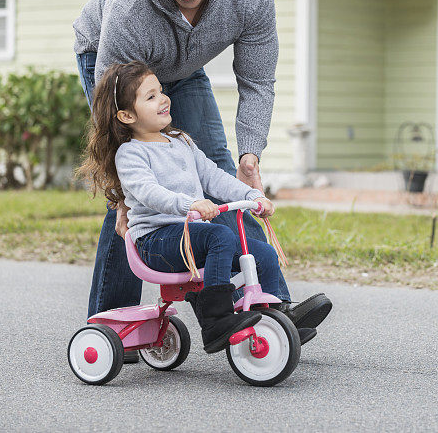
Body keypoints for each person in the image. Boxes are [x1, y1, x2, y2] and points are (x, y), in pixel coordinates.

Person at [72, 0, 330, 359]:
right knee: (141, 188)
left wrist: (250, 155)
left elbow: (256, 82)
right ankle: (115, 328)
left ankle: (270, 306)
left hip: (183, 73)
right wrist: (118, 197)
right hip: (117, 72)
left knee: (212, 175)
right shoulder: (130, 9)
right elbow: (111, 126)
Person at [77, 61, 315, 351]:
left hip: (189, 236)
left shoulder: (181, 142)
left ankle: (274, 318)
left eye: (161, 91)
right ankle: (216, 319)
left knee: (261, 251)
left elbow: (214, 177)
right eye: (150, 97)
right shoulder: (130, 154)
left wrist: (251, 196)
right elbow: (149, 192)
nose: (163, 98)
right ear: (126, 115)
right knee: (219, 236)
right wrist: (190, 204)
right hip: (156, 241)